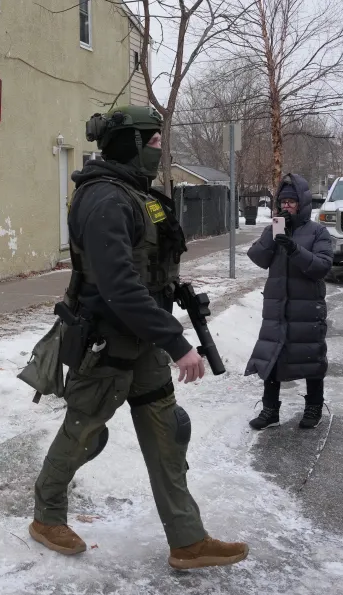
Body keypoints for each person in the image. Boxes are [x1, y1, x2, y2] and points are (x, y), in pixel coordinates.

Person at [29, 107, 249, 570]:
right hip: (106, 345)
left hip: (142, 344)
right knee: (81, 434)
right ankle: (46, 516)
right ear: (128, 143)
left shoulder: (136, 194)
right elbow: (119, 287)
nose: (157, 149)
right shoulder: (105, 199)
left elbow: (149, 269)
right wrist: (176, 341)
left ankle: (187, 540)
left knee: (168, 435)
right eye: (151, 142)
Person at [245, 174, 332, 430]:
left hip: (306, 307)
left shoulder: (318, 232)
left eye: (292, 201)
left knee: (310, 357)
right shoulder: (274, 227)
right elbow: (258, 258)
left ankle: (313, 406)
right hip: (276, 306)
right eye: (283, 202)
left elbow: (322, 266)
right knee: (273, 355)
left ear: (302, 203)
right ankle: (270, 410)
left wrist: (294, 249)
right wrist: (273, 236)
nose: (287, 206)